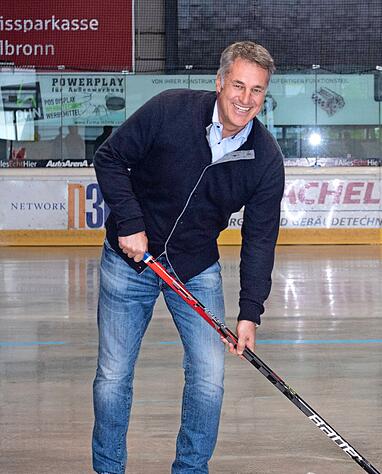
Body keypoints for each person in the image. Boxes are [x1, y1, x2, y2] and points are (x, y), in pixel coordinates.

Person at [92, 41, 284, 474]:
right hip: (129, 265)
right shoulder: (170, 110)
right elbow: (110, 157)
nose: (245, 99)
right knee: (113, 378)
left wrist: (249, 313)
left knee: (208, 379)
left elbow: (260, 239)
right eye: (238, 85)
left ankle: (191, 470)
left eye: (257, 91)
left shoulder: (266, 160)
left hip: (194, 269)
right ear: (219, 83)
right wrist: (129, 223)